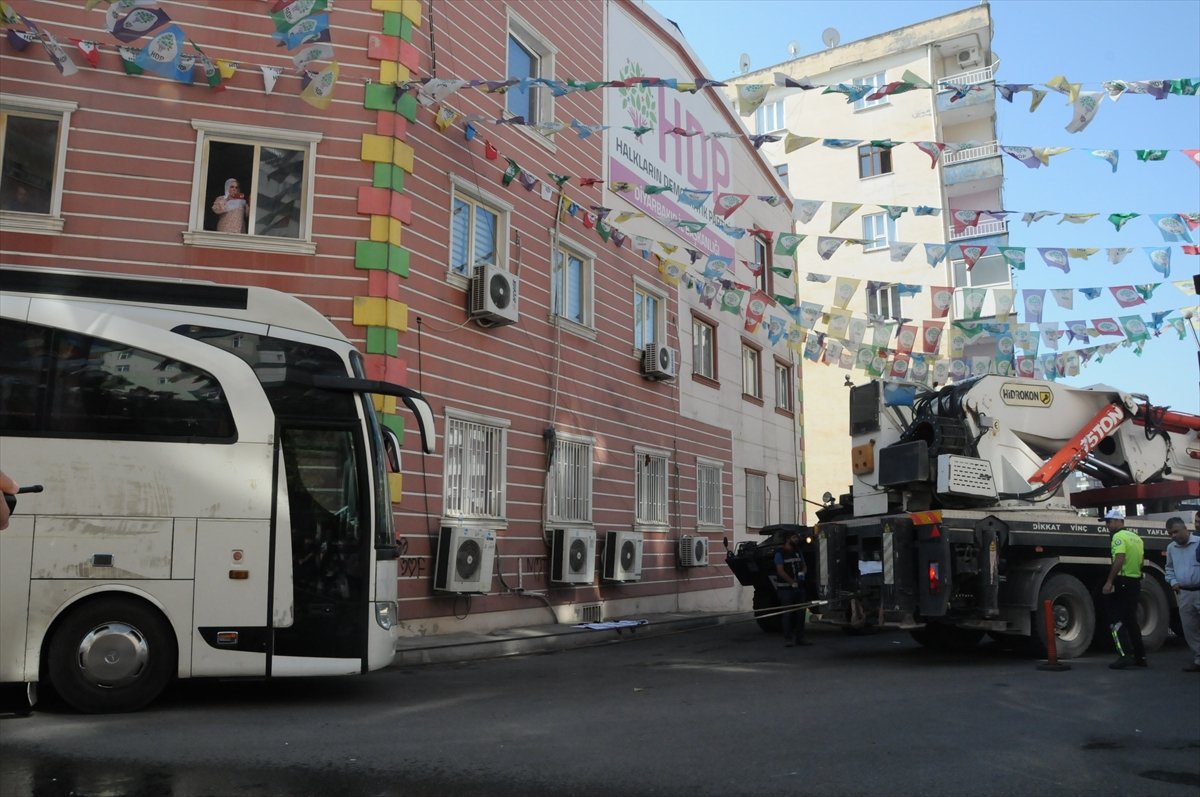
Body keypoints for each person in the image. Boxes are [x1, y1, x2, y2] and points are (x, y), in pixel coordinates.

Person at [1101, 509, 1146, 669]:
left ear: (1118, 521)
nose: (1107, 525)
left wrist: (1109, 581)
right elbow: (1141, 561)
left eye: (1109, 522)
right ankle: (1140, 656)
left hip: (1123, 581)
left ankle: (1124, 655)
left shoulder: (1118, 537)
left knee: (1117, 620)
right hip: (1134, 581)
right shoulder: (1136, 538)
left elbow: (1119, 559)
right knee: (1131, 620)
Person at [1164, 516, 1200, 672]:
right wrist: (1172, 582)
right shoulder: (1171, 548)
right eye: (1170, 533)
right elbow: (1169, 569)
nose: (1173, 535)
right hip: (1184, 593)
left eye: (1176, 532)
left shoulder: (1199, 543)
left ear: (1185, 529)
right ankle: (1199, 659)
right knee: (1189, 628)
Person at [773, 531, 810, 647]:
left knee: (801, 614)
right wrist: (791, 582)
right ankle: (788, 639)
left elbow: (804, 566)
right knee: (787, 614)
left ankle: (800, 638)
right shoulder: (779, 553)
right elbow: (780, 570)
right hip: (785, 590)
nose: (797, 540)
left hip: (799, 588)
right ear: (787, 539)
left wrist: (802, 574)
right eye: (794, 537)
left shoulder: (798, 552)